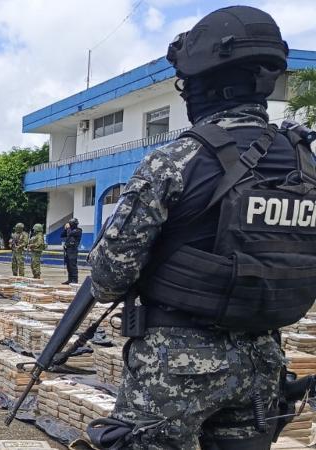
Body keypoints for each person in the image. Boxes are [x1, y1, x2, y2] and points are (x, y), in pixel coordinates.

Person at [86, 6, 308, 449]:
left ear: (203, 84)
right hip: (264, 363)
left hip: (176, 369)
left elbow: (108, 279)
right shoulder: (307, 165)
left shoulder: (178, 160)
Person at [60, 218, 81, 284]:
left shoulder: (78, 230)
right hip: (68, 250)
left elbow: (70, 234)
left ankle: (75, 280)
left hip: (73, 250)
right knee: (68, 265)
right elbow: (62, 235)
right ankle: (70, 279)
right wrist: (65, 229)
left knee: (72, 265)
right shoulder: (70, 230)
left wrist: (68, 228)